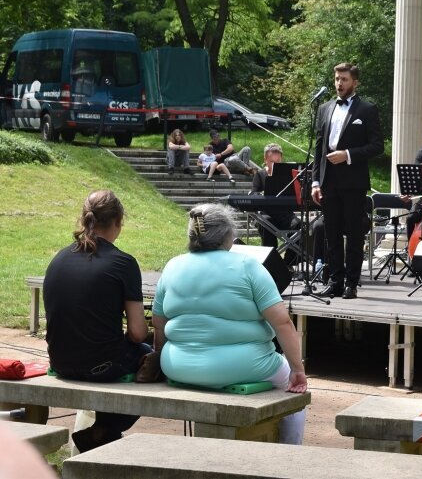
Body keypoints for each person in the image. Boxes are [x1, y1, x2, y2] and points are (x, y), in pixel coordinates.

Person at [152, 203, 307, 444]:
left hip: (177, 366)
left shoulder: (172, 266)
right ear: (227, 235)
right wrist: (297, 370)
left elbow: (159, 324)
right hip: (244, 366)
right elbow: (283, 323)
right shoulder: (247, 265)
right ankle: (291, 452)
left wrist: (159, 360)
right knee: (294, 391)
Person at [43, 189, 152, 452]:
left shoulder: (58, 258)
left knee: (114, 348)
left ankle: (102, 434)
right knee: (155, 357)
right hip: (102, 365)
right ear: (118, 221)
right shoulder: (123, 262)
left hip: (60, 361)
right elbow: (137, 333)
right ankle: (103, 430)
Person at [311, 63, 383, 300]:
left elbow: (377, 146)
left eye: (344, 79)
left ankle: (352, 283)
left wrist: (348, 155)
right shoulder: (324, 108)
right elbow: (319, 148)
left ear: (355, 82)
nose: (339, 83)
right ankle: (335, 281)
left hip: (353, 181)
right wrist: (315, 182)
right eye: (337, 79)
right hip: (328, 181)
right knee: (331, 234)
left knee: (353, 235)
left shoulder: (367, 109)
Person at [251, 143, 301, 266]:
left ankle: (288, 264)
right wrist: (262, 194)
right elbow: (253, 193)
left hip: (284, 213)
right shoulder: (260, 175)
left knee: (299, 225)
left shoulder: (288, 176)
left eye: (278, 161)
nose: (275, 164)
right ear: (265, 160)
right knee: (267, 224)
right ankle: (271, 263)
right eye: (271, 161)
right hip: (265, 214)